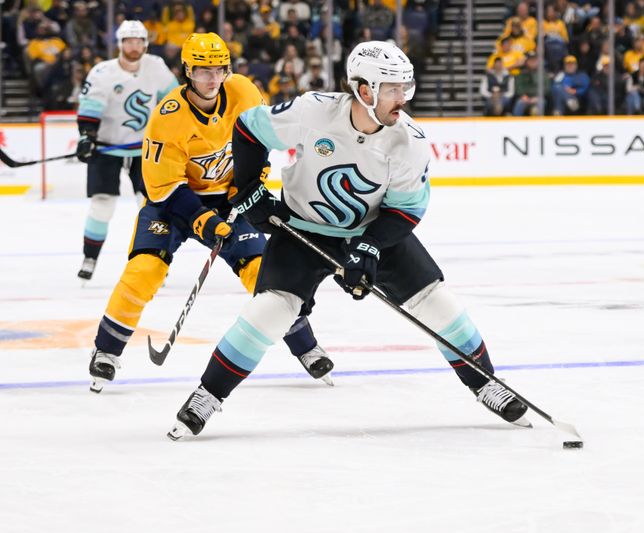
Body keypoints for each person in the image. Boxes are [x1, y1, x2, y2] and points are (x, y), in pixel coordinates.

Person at [167, 41, 531, 440]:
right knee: (269, 313)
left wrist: (369, 246)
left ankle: (486, 384)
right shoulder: (313, 111)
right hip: (302, 228)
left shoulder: (410, 141)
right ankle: (208, 394)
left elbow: (406, 210)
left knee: (438, 303)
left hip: (370, 231)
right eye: (393, 89)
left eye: (405, 88)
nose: (403, 98)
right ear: (364, 90)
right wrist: (250, 188)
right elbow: (248, 128)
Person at [88, 33, 334, 393]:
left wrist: (248, 182)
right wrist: (202, 220)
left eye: (219, 69)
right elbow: (163, 186)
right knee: (144, 270)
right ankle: (106, 351)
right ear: (187, 70)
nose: (212, 78)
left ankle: (307, 347)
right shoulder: (168, 115)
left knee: (262, 274)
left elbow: (260, 139)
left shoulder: (243, 92)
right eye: (203, 70)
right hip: (173, 203)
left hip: (227, 199)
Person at [76, 20, 178, 282]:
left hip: (144, 149)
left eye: (138, 41)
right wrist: (87, 137)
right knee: (102, 205)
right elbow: (89, 109)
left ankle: (153, 259)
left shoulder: (156, 67)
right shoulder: (102, 73)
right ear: (120, 44)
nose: (134, 47)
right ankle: (90, 257)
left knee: (149, 206)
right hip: (107, 148)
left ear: (145, 43)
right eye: (128, 41)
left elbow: (175, 101)